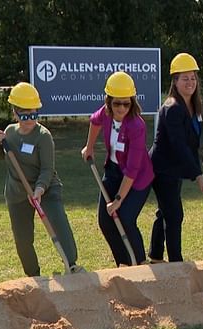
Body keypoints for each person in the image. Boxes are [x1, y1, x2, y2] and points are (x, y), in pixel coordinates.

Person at [0, 82, 81, 276]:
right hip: (17, 192)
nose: (30, 120)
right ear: (15, 113)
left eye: (33, 114)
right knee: (22, 239)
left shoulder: (43, 136)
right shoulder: (10, 133)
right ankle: (33, 276)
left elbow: (48, 169)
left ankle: (71, 265)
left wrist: (39, 190)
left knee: (58, 225)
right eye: (24, 116)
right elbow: (0, 156)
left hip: (46, 189)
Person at [81, 71, 154, 266]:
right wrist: (89, 147)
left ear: (132, 102)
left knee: (125, 219)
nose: (121, 108)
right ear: (108, 101)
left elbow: (132, 168)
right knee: (105, 222)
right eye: (117, 103)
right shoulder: (105, 113)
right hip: (113, 171)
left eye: (126, 103)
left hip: (137, 179)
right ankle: (122, 264)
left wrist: (119, 200)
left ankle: (139, 263)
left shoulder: (137, 126)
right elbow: (94, 121)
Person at [148, 53, 203, 263]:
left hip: (174, 170)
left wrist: (199, 172)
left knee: (165, 212)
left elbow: (192, 145)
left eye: (193, 78)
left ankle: (155, 255)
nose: (190, 83)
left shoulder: (193, 106)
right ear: (175, 81)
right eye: (185, 78)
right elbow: (179, 146)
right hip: (162, 170)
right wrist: (198, 175)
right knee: (174, 214)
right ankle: (176, 262)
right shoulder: (172, 107)